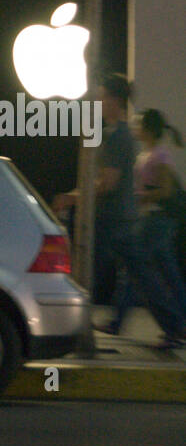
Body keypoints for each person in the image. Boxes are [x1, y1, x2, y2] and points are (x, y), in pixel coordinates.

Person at [54, 75, 185, 349]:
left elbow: (107, 183)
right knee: (139, 273)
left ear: (113, 100)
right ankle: (173, 326)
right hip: (122, 218)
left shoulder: (119, 138)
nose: (99, 103)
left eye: (102, 97)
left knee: (83, 269)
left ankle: (70, 323)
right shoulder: (120, 135)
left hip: (112, 218)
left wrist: (73, 198)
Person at [111, 110, 186, 340]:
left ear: (147, 129)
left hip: (158, 219)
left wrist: (143, 198)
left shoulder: (160, 155)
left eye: (138, 123)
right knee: (166, 272)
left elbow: (166, 190)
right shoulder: (147, 154)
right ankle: (177, 323)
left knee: (138, 268)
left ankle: (122, 320)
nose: (134, 126)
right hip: (152, 219)